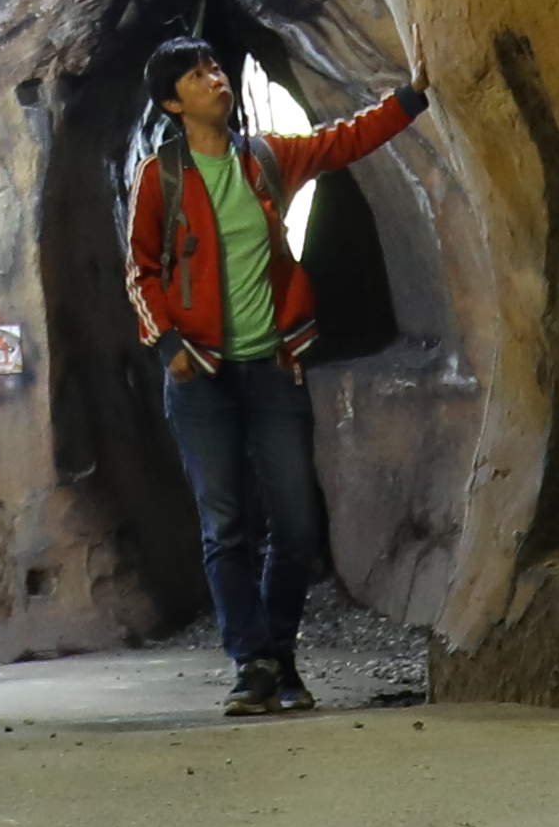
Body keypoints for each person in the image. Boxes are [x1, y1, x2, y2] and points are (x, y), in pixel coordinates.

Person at [124, 35, 425, 716]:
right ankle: (253, 662)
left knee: (292, 524)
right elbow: (140, 268)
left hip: (271, 366)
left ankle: (276, 657)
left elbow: (342, 142)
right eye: (198, 75)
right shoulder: (160, 178)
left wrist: (411, 98)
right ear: (174, 103)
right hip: (200, 377)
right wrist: (167, 339)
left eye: (215, 65)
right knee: (225, 525)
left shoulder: (264, 158)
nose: (216, 77)